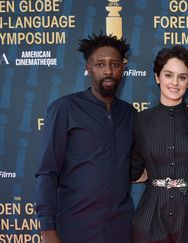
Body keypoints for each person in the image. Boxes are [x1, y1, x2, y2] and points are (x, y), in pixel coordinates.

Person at [35, 33, 134, 243]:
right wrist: (47, 229)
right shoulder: (65, 109)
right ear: (88, 67)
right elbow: (47, 171)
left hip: (121, 228)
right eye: (100, 64)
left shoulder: (129, 114)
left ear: (123, 69)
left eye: (115, 64)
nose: (108, 70)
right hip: (75, 227)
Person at [130, 45, 188, 243]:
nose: (175, 83)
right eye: (168, 75)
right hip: (150, 218)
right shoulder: (141, 121)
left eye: (182, 77)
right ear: (157, 77)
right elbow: (134, 168)